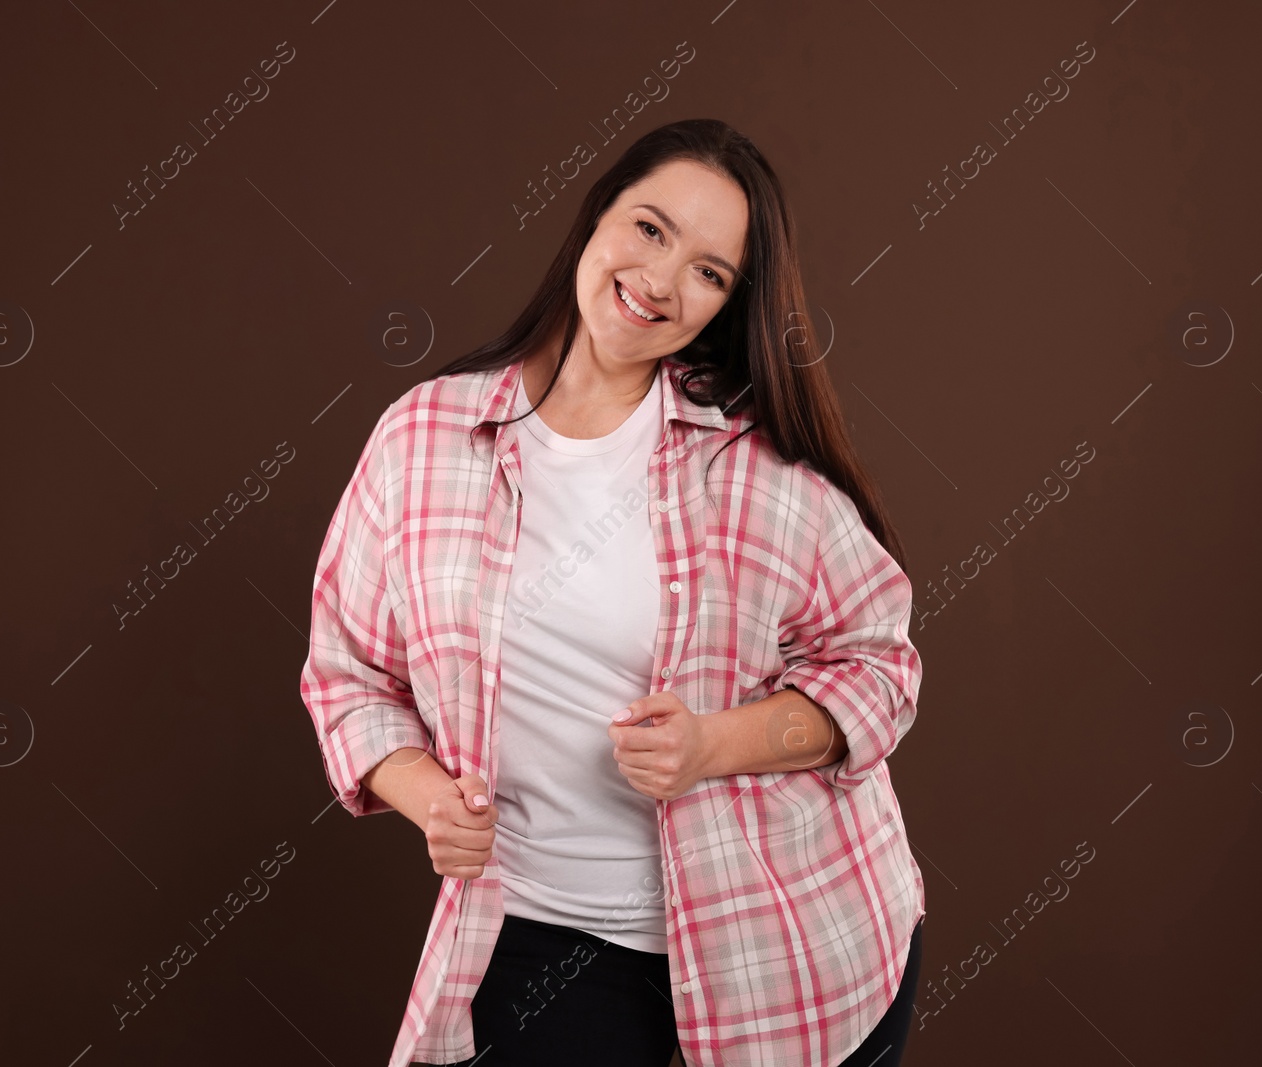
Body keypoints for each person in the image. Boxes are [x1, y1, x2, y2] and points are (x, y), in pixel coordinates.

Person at [300, 118, 925, 1067]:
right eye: (651, 228)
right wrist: (430, 799)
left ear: (726, 305)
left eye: (711, 273)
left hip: (789, 954)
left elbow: (881, 670)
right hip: (541, 941)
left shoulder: (756, 473)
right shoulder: (423, 439)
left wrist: (714, 743)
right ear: (598, 216)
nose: (664, 280)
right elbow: (347, 672)